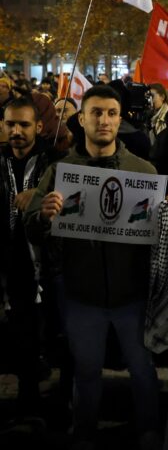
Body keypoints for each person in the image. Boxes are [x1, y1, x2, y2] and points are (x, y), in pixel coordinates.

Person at [23, 86, 161, 447]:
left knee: (143, 371)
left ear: (120, 119)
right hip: (82, 294)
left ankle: (149, 430)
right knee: (85, 372)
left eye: (112, 113)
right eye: (96, 112)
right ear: (81, 118)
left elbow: (160, 233)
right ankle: (84, 432)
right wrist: (43, 216)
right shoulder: (61, 171)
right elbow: (32, 228)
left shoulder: (143, 171)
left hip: (131, 295)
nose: (104, 120)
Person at [0, 97, 63, 427]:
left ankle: (62, 398)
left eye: (23, 124)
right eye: (10, 124)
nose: (16, 131)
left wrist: (38, 198)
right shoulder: (0, 160)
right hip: (13, 263)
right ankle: (27, 399)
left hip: (52, 263)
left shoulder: (56, 161)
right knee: (21, 332)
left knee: (57, 332)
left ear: (38, 127)